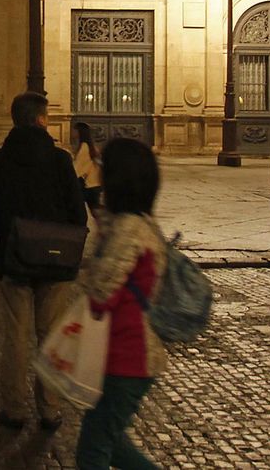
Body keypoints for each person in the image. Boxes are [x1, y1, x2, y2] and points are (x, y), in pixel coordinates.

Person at [0, 92, 88, 432]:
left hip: (14, 260)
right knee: (51, 336)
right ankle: (49, 410)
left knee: (16, 338)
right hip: (55, 263)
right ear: (41, 120)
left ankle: (14, 409)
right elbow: (77, 214)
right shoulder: (60, 160)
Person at [73, 138, 167, 470]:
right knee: (113, 446)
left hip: (127, 356)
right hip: (118, 355)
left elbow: (100, 294)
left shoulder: (129, 230)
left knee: (93, 452)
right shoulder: (131, 223)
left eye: (103, 169)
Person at [70, 121, 103, 215]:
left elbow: (78, 168)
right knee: (95, 212)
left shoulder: (84, 147)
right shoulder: (89, 146)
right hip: (94, 184)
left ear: (80, 132)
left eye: (75, 130)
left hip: (90, 185)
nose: (72, 132)